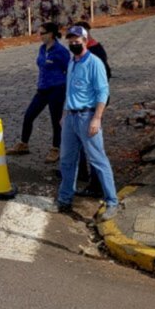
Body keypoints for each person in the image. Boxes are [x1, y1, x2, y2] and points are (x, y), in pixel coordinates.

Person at [56, 25, 119, 221]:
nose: (74, 43)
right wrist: (64, 113)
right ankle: (65, 198)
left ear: (85, 41)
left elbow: (103, 92)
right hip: (71, 117)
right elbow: (69, 91)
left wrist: (97, 118)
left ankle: (112, 201)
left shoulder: (95, 63)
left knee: (98, 160)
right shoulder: (72, 62)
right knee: (67, 160)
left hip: (87, 117)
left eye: (77, 40)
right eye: (71, 41)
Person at [7, 22, 70, 163]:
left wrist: (66, 87)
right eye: (39, 33)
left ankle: (56, 148)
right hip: (42, 89)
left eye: (42, 33)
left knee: (56, 120)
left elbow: (70, 70)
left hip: (57, 89)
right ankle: (23, 144)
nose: (39, 36)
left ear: (51, 34)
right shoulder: (42, 49)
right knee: (29, 115)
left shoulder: (61, 51)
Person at [74, 21, 109, 198]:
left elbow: (103, 85)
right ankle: (80, 172)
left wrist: (97, 115)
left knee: (93, 147)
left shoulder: (96, 54)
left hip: (91, 106)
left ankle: (98, 186)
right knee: (79, 143)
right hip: (78, 106)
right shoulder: (80, 54)